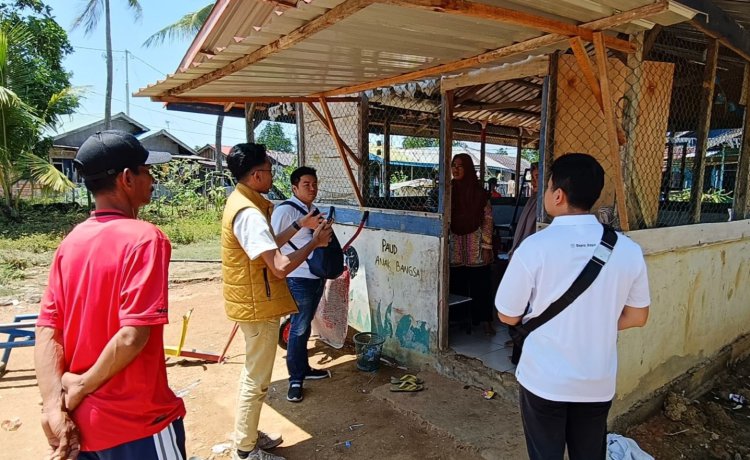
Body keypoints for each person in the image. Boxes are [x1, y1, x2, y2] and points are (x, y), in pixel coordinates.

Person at [34, 130, 186, 458]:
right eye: (146, 171)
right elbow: (132, 335)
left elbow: (48, 329)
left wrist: (53, 408)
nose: (152, 179)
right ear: (127, 179)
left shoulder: (70, 244)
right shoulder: (145, 239)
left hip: (83, 430)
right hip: (137, 423)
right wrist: (80, 386)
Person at [495, 153, 650, 460]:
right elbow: (638, 316)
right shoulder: (628, 250)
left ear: (558, 194)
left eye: (547, 184)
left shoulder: (534, 247)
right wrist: (598, 320)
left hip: (543, 380)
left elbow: (508, 315)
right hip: (596, 381)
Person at [222, 144, 332, 460]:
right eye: (269, 170)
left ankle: (249, 434)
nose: (272, 175)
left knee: (254, 374)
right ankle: (245, 450)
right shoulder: (248, 213)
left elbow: (269, 245)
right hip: (258, 304)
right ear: (256, 175)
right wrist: (314, 243)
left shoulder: (245, 202)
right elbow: (280, 267)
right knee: (256, 379)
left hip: (254, 300)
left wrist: (300, 226)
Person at [270, 166, 331, 403]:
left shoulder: (313, 210)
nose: (312, 188)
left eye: (314, 184)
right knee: (298, 327)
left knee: (305, 326)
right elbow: (273, 242)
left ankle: (303, 369)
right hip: (298, 277)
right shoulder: (285, 211)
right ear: (294, 187)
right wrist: (301, 225)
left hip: (315, 275)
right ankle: (295, 379)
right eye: (306, 184)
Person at [449, 153, 495, 335]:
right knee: (456, 282)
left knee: (481, 283)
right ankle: (456, 319)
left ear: (467, 169)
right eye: (453, 165)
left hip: (476, 244)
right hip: (454, 244)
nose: (456, 169)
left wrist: (486, 246)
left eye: (460, 166)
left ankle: (484, 320)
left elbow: (488, 219)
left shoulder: (479, 193)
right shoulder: (448, 191)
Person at [508, 162, 539, 258]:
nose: (533, 182)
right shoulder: (533, 200)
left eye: (537, 177)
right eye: (532, 178)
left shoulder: (546, 202)